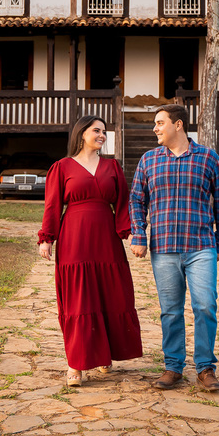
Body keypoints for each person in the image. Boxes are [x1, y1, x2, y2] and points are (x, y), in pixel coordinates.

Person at [129, 103, 219, 392]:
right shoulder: (149, 160)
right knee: (170, 311)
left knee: (205, 306)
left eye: (160, 123)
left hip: (200, 246)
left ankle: (205, 368)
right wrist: (139, 234)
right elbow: (136, 200)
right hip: (163, 248)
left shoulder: (209, 158)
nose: (155, 128)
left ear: (179, 125)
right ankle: (173, 367)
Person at [38, 115, 143, 387]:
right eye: (96, 130)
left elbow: (122, 203)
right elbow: (52, 206)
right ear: (81, 133)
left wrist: (127, 233)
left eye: (104, 132)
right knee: (78, 299)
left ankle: (104, 354)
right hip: (74, 236)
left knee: (110, 295)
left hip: (106, 238)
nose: (102, 135)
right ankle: (76, 362)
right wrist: (46, 238)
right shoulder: (61, 167)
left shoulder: (112, 166)